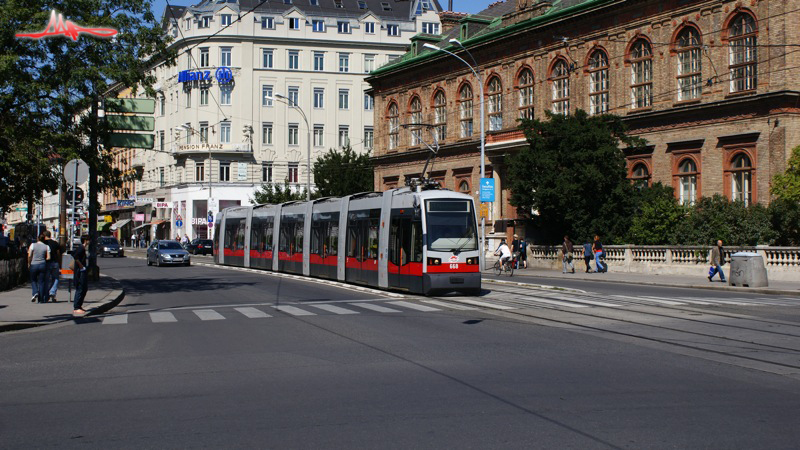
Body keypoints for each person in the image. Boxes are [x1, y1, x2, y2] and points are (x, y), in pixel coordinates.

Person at [27, 232, 50, 303]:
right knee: (41, 282)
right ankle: (41, 299)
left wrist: (29, 263)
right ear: (44, 239)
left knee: (33, 280)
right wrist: (43, 259)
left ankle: (35, 292)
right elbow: (48, 257)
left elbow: (29, 255)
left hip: (34, 264)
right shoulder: (46, 246)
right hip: (42, 265)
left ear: (37, 238)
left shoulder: (32, 245)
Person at [72, 235, 90, 316]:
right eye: (89, 240)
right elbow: (75, 256)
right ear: (85, 240)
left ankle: (79, 305)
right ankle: (76, 307)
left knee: (84, 288)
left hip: (82, 270)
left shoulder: (82, 248)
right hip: (80, 271)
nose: (90, 241)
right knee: (80, 288)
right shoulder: (81, 248)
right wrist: (81, 266)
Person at [44, 230, 62, 302]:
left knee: (47, 279)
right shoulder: (55, 243)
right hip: (55, 262)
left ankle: (46, 294)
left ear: (45, 236)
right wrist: (60, 263)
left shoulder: (44, 243)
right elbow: (58, 254)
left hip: (47, 263)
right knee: (56, 278)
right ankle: (52, 292)